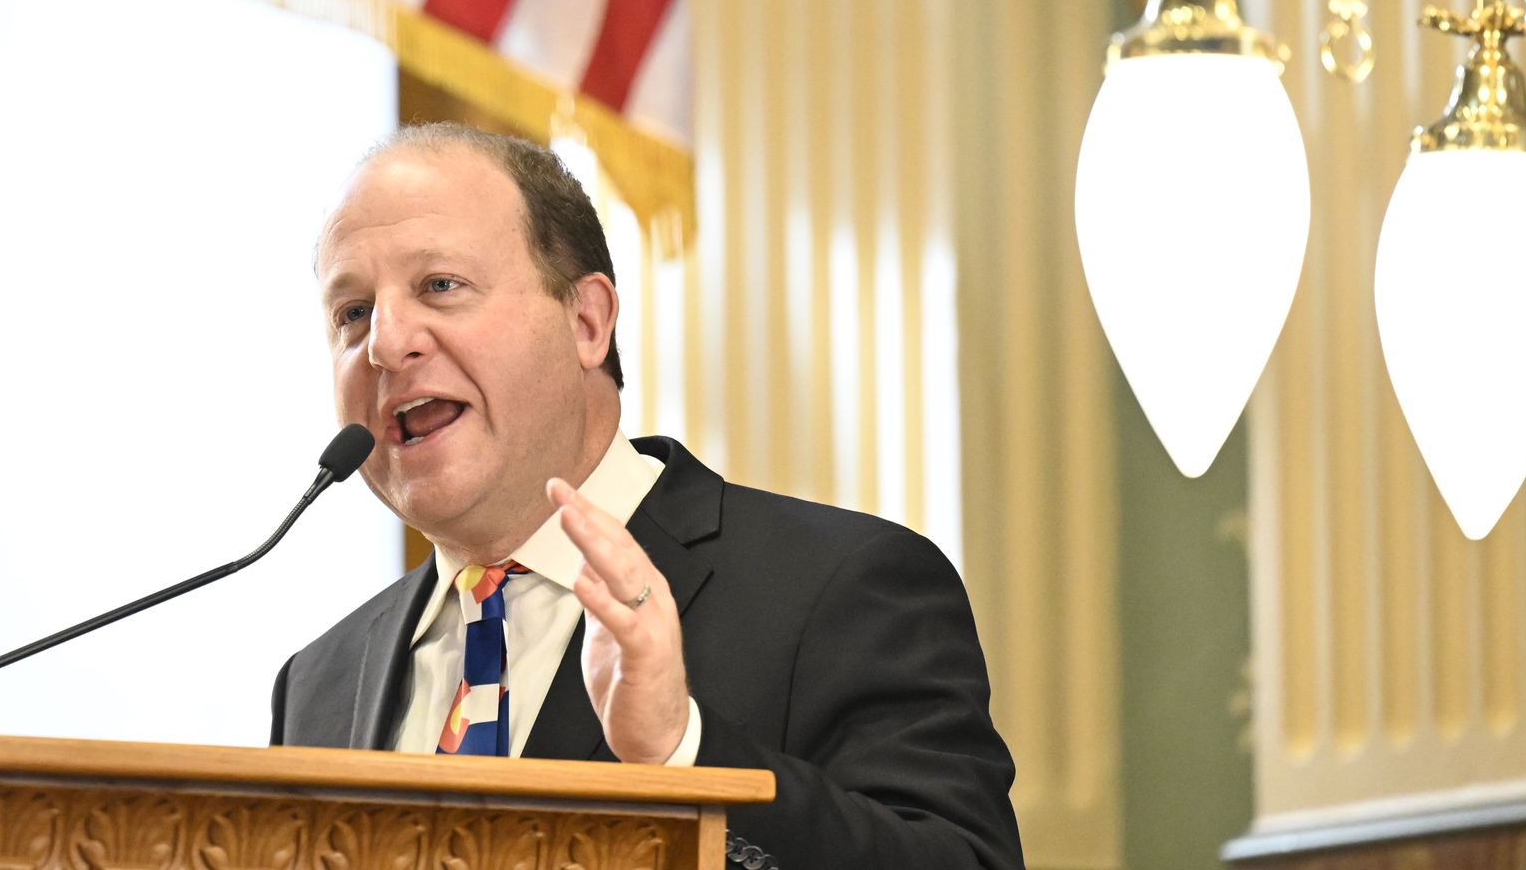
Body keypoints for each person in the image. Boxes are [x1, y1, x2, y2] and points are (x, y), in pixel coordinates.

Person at [271, 122, 1023, 869]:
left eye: (441, 286)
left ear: (588, 321)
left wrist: (681, 757)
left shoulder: (842, 587)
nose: (386, 343)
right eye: (353, 312)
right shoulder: (319, 681)